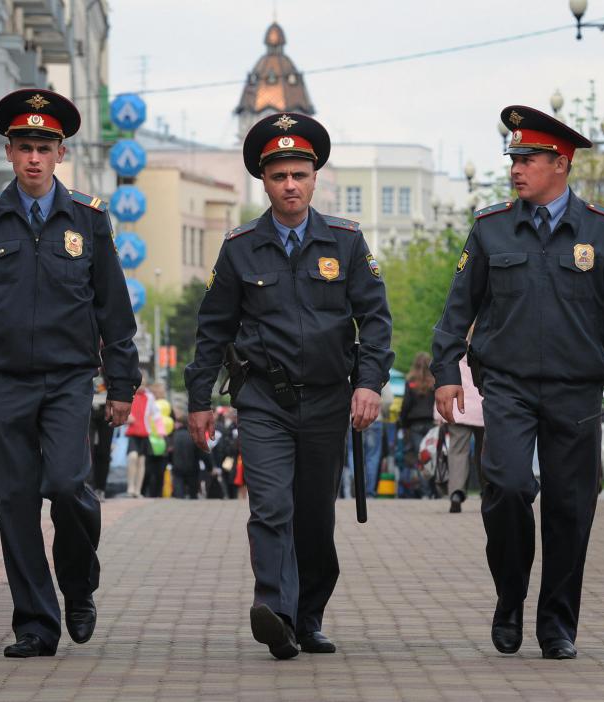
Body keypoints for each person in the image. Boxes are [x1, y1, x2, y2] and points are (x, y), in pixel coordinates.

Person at [431, 105, 604, 661]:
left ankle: (556, 625)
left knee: (570, 507)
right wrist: (444, 374)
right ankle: (510, 600)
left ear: (562, 162)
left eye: (528, 159)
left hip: (577, 392)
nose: (516, 168)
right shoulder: (490, 228)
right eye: (513, 158)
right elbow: (458, 309)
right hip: (505, 385)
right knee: (504, 488)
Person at [0, 88, 140, 657]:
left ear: (60, 153)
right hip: (2, 379)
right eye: (24, 146)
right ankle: (35, 624)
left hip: (69, 378)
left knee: (69, 487)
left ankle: (77, 583)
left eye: (43, 147)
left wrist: (122, 385)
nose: (33, 157)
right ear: (8, 151)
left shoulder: (89, 222)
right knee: (15, 500)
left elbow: (114, 311)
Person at [185, 112, 393, 659]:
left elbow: (375, 320)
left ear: (315, 177)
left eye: (299, 174)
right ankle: (275, 611)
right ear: (264, 181)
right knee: (270, 507)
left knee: (315, 518)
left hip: (329, 401)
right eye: (279, 177)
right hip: (264, 402)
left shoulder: (346, 243)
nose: (291, 185)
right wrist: (199, 400)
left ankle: (309, 614)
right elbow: (212, 329)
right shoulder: (239, 247)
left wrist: (369, 384)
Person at [433, 356, 483, 513]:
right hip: (483, 408)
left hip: (457, 408)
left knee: (457, 451)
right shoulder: (486, 343)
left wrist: (437, 414)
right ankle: (488, 490)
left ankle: (456, 492)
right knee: (485, 451)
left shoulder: (453, 350)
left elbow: (442, 379)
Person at [398, 352, 435, 498]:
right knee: (433, 457)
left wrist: (403, 424)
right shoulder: (434, 382)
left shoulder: (411, 382)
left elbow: (405, 405)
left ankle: (425, 492)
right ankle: (435, 491)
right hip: (433, 424)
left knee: (421, 458)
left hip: (415, 425)